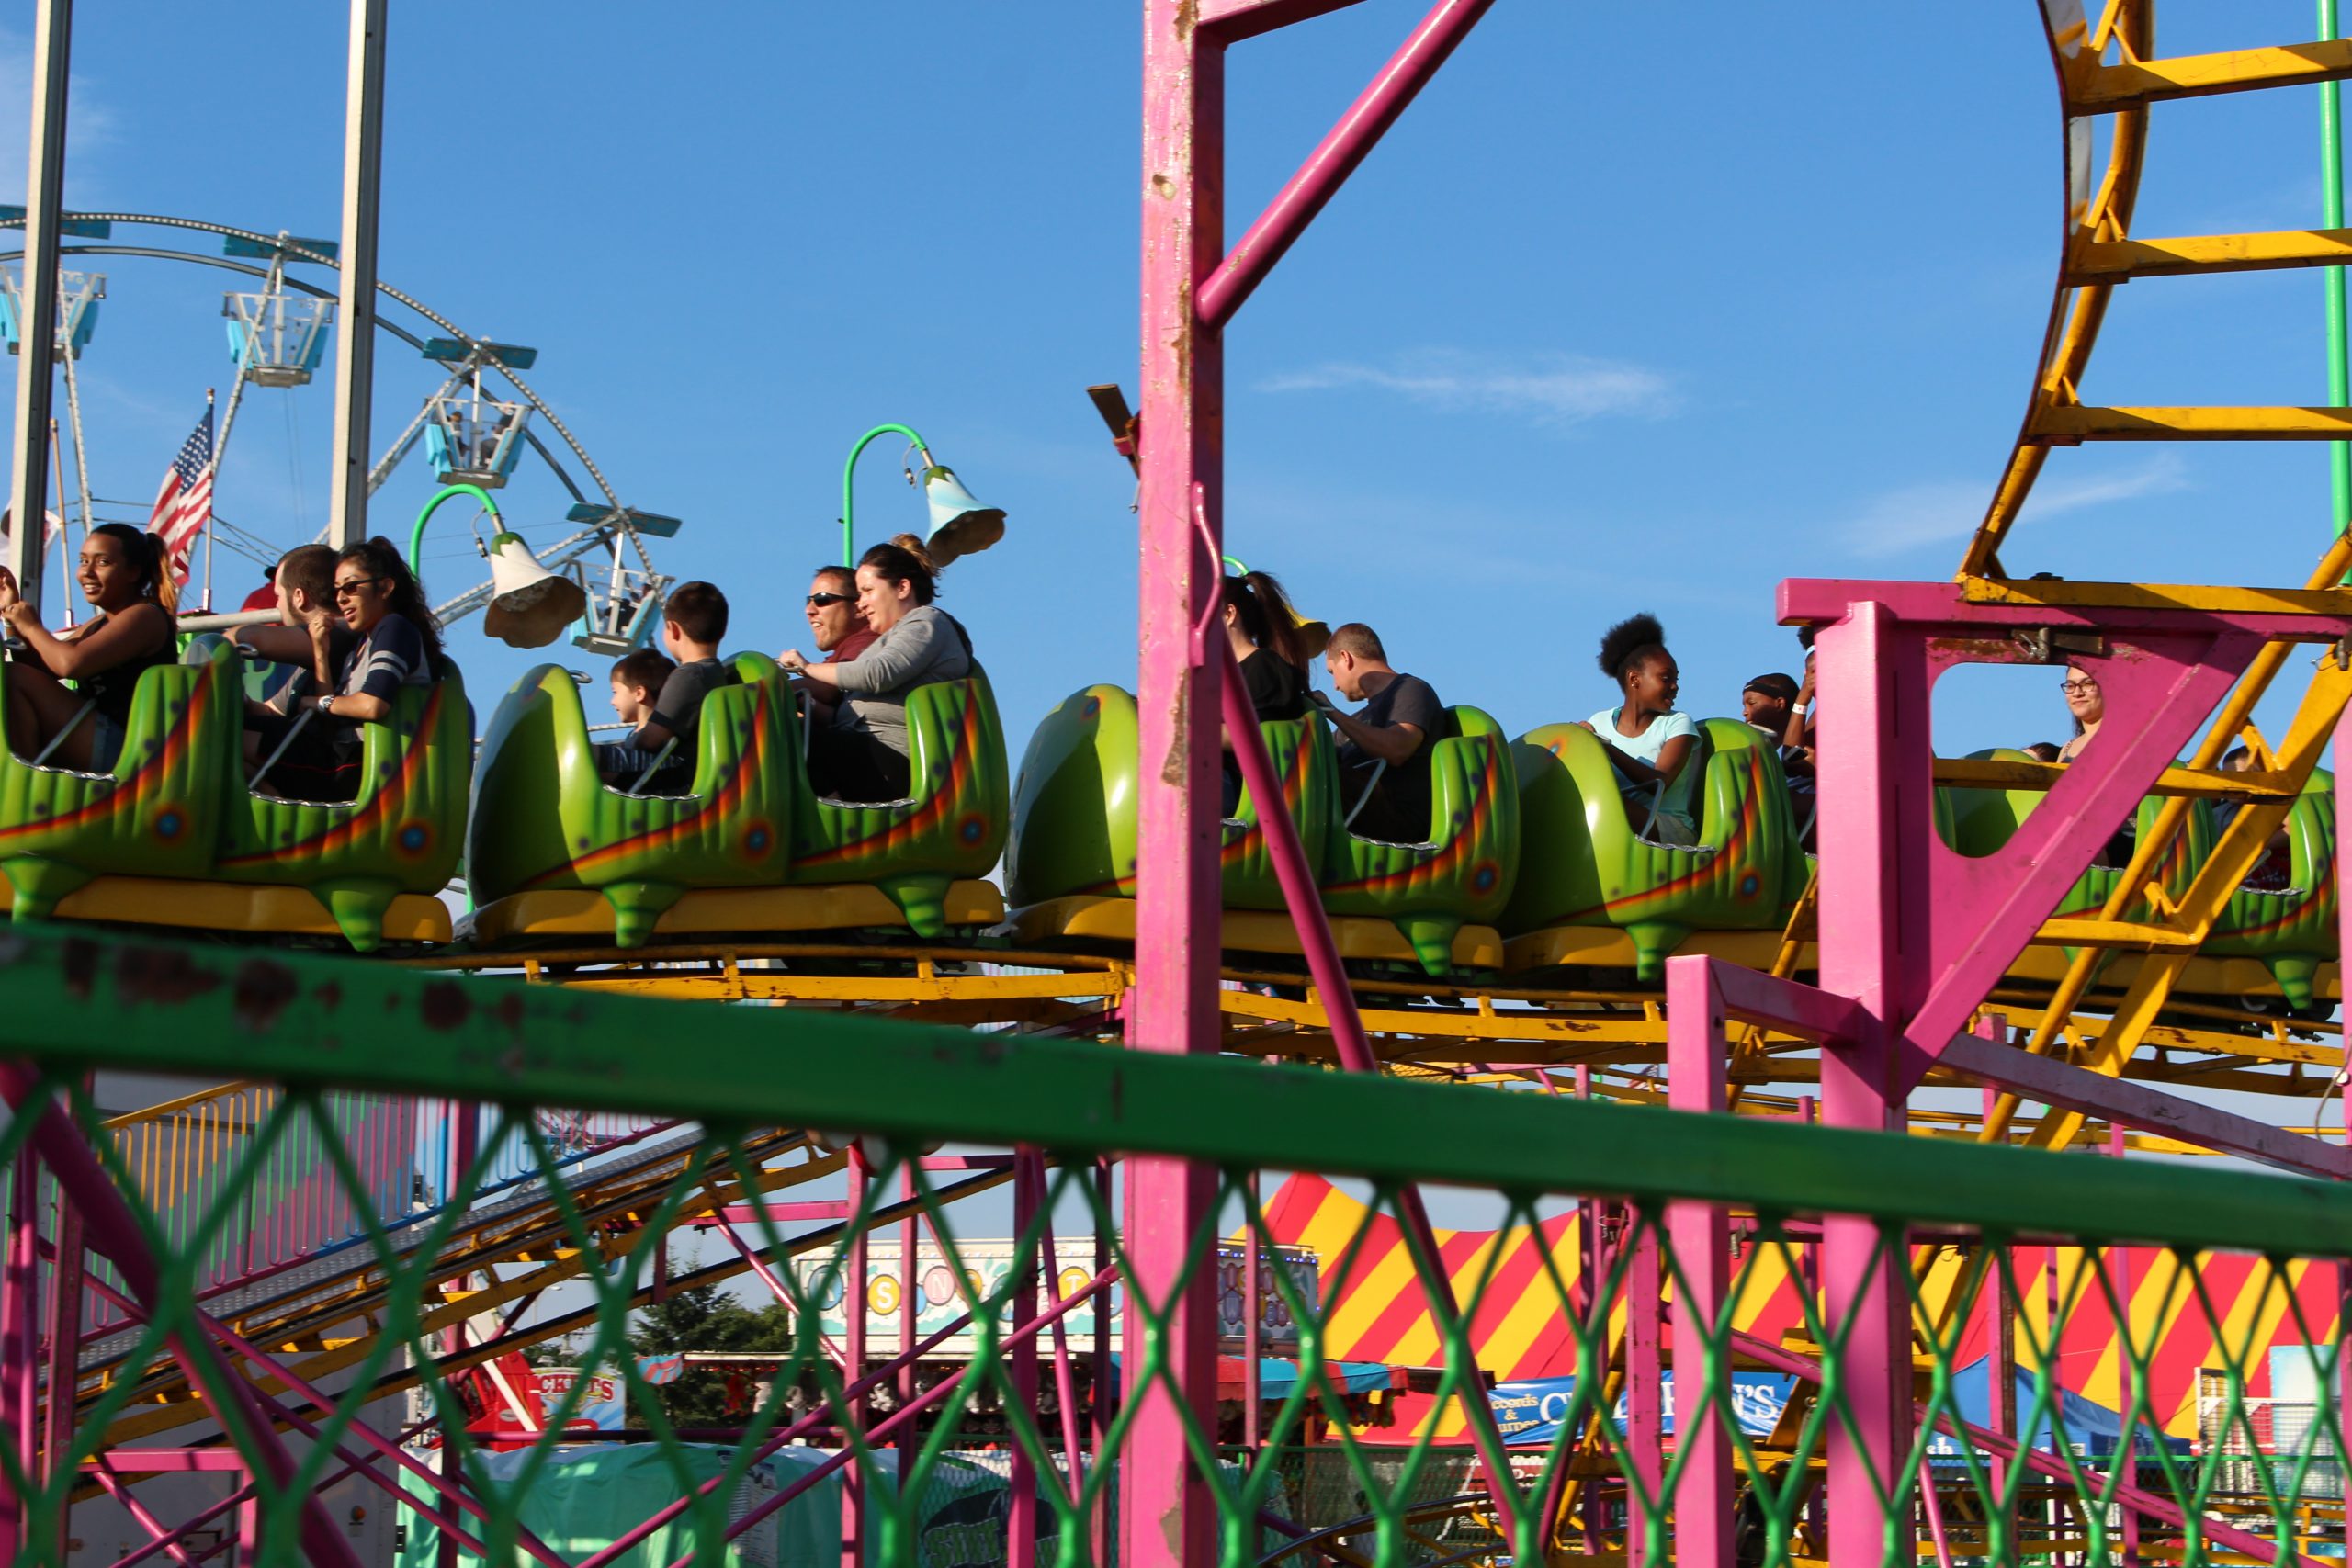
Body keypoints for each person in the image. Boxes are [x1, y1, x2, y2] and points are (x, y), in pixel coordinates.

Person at [778, 535, 975, 803]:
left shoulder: (927, 622)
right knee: (780, 727)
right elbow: (853, 709)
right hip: (864, 752)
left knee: (790, 737)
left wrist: (807, 667)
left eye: (868, 591)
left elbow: (877, 674)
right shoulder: (887, 639)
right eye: (859, 594)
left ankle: (834, 812)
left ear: (902, 588)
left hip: (894, 760)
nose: (861, 603)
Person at [0, 524, 177, 771]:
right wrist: (10, 616)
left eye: (102, 562)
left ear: (133, 572)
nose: (87, 573)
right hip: (96, 737)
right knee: (10, 678)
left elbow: (71, 663)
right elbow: (37, 670)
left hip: (127, 750)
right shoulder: (99, 622)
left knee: (12, 677)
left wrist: (32, 628)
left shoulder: (145, 617)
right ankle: (21, 775)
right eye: (83, 561)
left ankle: (24, 778)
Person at [596, 581, 737, 788]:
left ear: (673, 630)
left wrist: (629, 741)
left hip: (676, 775)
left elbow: (650, 741)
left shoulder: (689, 676)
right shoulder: (716, 673)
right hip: (688, 772)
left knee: (586, 754)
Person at [234, 544, 356, 782]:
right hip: (312, 755)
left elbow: (250, 638)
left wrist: (220, 646)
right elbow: (270, 711)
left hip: (332, 763)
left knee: (218, 734)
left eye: (279, 596)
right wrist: (242, 700)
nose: (277, 606)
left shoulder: (339, 632)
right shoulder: (310, 656)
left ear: (299, 597)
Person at [1577, 613, 1699, 845]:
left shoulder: (1678, 723)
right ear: (1634, 679)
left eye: (1676, 680)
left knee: (1602, 801)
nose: (1674, 687)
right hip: (1613, 823)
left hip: (1668, 828)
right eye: (1666, 678)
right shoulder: (1599, 722)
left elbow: (1659, 784)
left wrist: (1604, 747)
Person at [1317, 623, 1444, 844]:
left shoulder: (1411, 690)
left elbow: (1398, 749)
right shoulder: (1357, 719)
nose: (1335, 686)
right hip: (1357, 812)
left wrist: (1333, 713)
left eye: (1332, 672)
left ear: (1346, 658)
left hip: (1397, 820)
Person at [1220, 570, 1311, 814]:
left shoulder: (1265, 668)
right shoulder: (1218, 678)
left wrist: (1183, 728)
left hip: (1241, 793)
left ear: (1229, 614)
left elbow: (1254, 736)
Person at [2052, 662, 2133, 868]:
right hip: (2073, 836)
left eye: (2087, 684)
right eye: (2070, 686)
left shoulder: (2127, 740)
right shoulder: (2067, 748)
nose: (2077, 693)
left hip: (2120, 839)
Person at [788, 565, 878, 729]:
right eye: (809, 601)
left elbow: (830, 687)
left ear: (859, 607)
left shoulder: (869, 641)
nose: (809, 610)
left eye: (822, 599)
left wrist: (771, 689)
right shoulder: (841, 654)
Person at [596, 649, 681, 790]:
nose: (612, 701)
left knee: (590, 754)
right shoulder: (633, 735)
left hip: (650, 781)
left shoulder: (656, 736)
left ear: (639, 693)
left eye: (615, 692)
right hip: (633, 780)